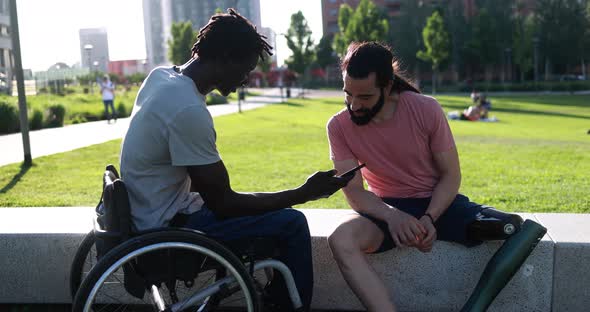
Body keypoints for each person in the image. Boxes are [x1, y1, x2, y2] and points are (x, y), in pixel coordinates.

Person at [120, 9, 353, 311]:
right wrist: (303, 194)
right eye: (246, 69)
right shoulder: (187, 109)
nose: (246, 79)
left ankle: (274, 298)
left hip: (146, 213)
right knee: (292, 223)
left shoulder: (161, 77)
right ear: (226, 57)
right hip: (166, 230)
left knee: (267, 214)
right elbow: (225, 204)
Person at [325, 42, 545, 312]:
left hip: (441, 206)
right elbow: (355, 193)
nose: (354, 105)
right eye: (348, 94)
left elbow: (451, 175)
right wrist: (393, 215)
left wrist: (430, 217)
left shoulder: (425, 108)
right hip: (387, 211)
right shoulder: (337, 126)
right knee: (340, 238)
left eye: (365, 97)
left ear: (388, 85)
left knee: (512, 227)